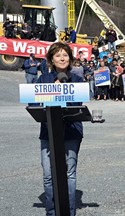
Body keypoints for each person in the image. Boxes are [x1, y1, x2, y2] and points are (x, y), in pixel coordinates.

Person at [36, 42, 84, 216]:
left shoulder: (78, 80)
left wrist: (62, 90)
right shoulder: (43, 80)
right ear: (51, 60)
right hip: (48, 132)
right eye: (58, 55)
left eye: (65, 55)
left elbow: (77, 105)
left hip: (71, 131)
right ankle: (51, 212)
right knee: (48, 174)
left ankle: (68, 212)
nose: (62, 58)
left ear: (70, 59)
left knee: (69, 173)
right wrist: (53, 90)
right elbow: (34, 103)